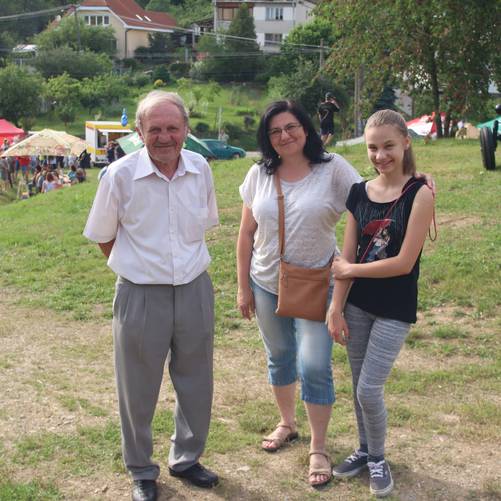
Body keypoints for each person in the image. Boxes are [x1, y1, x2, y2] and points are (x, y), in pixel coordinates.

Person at [83, 90, 220, 501]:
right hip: (140, 296)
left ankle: (187, 459)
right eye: (154, 129)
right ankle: (141, 469)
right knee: (137, 389)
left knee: (197, 382)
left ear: (186, 130)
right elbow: (104, 236)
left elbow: (202, 226)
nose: (164, 137)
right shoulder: (119, 176)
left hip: (194, 289)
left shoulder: (200, 168)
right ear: (139, 132)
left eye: (172, 128)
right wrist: (137, 268)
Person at [236, 100, 362, 487]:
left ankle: (318, 447)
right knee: (279, 357)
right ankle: (287, 423)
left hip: (316, 284)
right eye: (275, 131)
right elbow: (246, 234)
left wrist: (414, 177)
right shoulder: (259, 173)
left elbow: (371, 198)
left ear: (306, 129)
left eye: (291, 127)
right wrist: (243, 286)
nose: (284, 135)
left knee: (314, 365)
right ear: (267, 138)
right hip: (265, 283)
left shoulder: (333, 168)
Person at [328, 109, 435, 498]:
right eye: (372, 148)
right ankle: (364, 449)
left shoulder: (420, 194)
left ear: (406, 142)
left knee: (369, 389)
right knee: (359, 384)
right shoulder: (359, 193)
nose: (380, 155)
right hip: (356, 304)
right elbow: (346, 255)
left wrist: (351, 269)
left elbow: (404, 263)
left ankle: (377, 458)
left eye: (388, 146)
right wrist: (336, 307)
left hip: (395, 307)